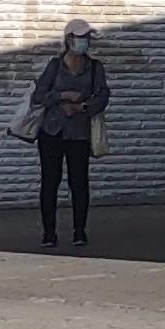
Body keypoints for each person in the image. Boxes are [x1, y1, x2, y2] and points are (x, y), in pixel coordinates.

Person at [28, 19, 111, 250]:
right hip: (52, 130)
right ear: (68, 40)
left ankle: (79, 231)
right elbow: (38, 96)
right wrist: (63, 95)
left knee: (79, 183)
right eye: (79, 37)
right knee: (50, 182)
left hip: (79, 133)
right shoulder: (55, 66)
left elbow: (103, 96)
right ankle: (49, 232)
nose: (84, 42)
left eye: (87, 37)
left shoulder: (95, 67)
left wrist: (82, 107)